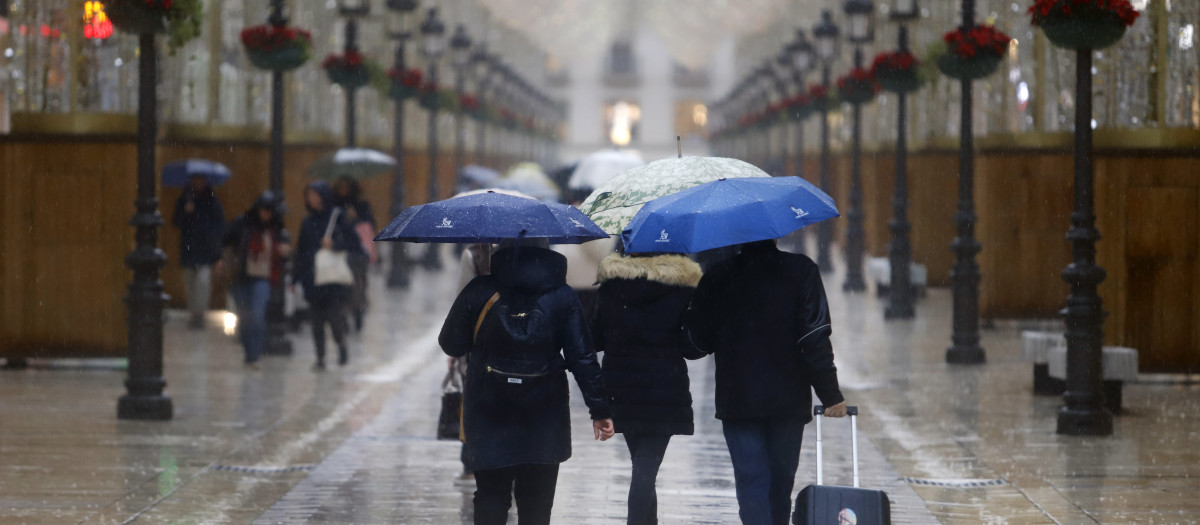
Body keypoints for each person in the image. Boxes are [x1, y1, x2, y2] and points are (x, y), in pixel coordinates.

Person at [439, 239, 615, 525]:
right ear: (546, 248)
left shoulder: (480, 290)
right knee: (536, 508)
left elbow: (450, 343)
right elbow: (582, 357)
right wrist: (600, 410)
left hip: (488, 412)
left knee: (491, 499)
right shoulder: (562, 296)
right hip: (544, 416)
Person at [683, 239, 848, 525]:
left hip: (738, 400)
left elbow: (695, 344)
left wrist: (690, 312)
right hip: (788, 400)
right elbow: (814, 339)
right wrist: (830, 395)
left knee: (751, 484)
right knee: (780, 487)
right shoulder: (801, 271)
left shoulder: (719, 276)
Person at [592, 249, 704, 525]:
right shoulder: (680, 290)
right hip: (664, 392)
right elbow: (691, 347)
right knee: (645, 470)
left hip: (621, 389)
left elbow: (594, 338)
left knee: (643, 469)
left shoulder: (612, 287)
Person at [294, 181, 364, 370]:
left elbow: (355, 244)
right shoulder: (307, 222)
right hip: (313, 279)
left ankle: (341, 345)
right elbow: (300, 251)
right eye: (309, 195)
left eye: (315, 194)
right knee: (316, 322)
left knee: (334, 318)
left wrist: (334, 244)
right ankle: (320, 358)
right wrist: (295, 278)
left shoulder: (338, 217)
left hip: (333, 280)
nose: (311, 199)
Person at [219, 191, 289, 369]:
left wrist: (284, 252)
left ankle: (255, 355)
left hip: (263, 278)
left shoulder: (276, 230)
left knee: (257, 317)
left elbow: (285, 254)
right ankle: (249, 352)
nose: (266, 214)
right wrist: (220, 260)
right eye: (263, 210)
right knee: (244, 318)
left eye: (269, 211)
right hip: (240, 277)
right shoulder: (242, 224)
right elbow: (224, 239)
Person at [172, 174, 226, 329]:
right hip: (189, 248)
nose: (198, 183)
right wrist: (185, 212)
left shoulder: (213, 202)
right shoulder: (184, 200)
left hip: (205, 250)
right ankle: (193, 313)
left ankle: (199, 315)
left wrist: (217, 254)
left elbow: (219, 227)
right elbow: (176, 221)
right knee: (190, 284)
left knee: (202, 283)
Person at [333, 176, 376, 332]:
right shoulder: (335, 207)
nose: (343, 191)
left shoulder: (361, 205)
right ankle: (344, 314)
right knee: (343, 285)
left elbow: (370, 225)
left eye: (346, 187)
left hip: (358, 254)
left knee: (358, 286)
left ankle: (357, 311)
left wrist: (355, 217)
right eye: (340, 187)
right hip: (341, 253)